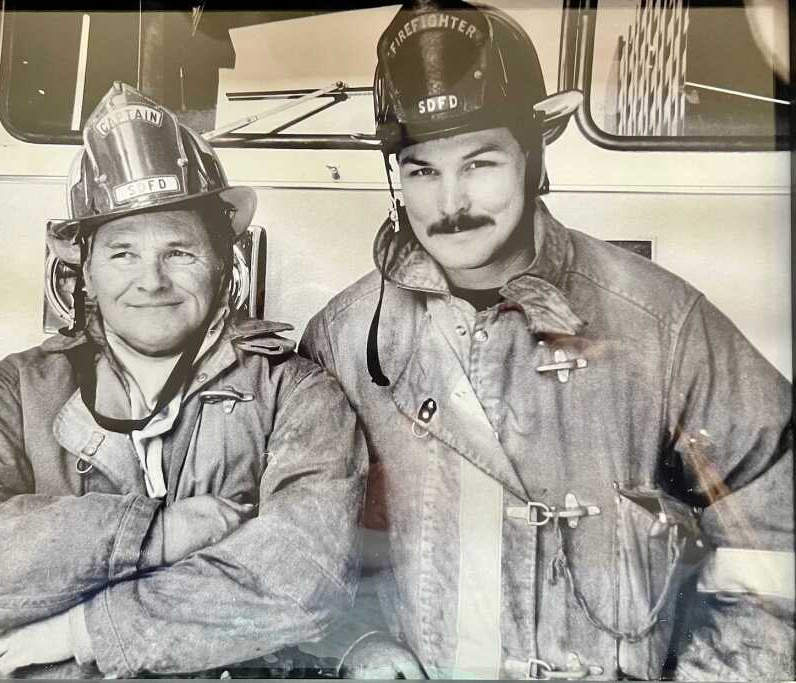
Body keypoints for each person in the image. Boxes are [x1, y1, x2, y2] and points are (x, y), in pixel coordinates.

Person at [300, 1, 794, 679]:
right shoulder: (345, 337)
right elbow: (306, 546)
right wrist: (358, 642)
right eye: (422, 170)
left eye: (479, 163)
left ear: (532, 155)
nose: (450, 204)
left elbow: (777, 536)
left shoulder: (659, 321)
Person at [0, 82, 366, 678]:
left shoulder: (295, 394)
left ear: (223, 263)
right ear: (86, 273)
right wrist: (156, 534)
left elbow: (302, 578)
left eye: (179, 252)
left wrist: (82, 630)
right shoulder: (19, 390)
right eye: (123, 253)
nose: (151, 281)